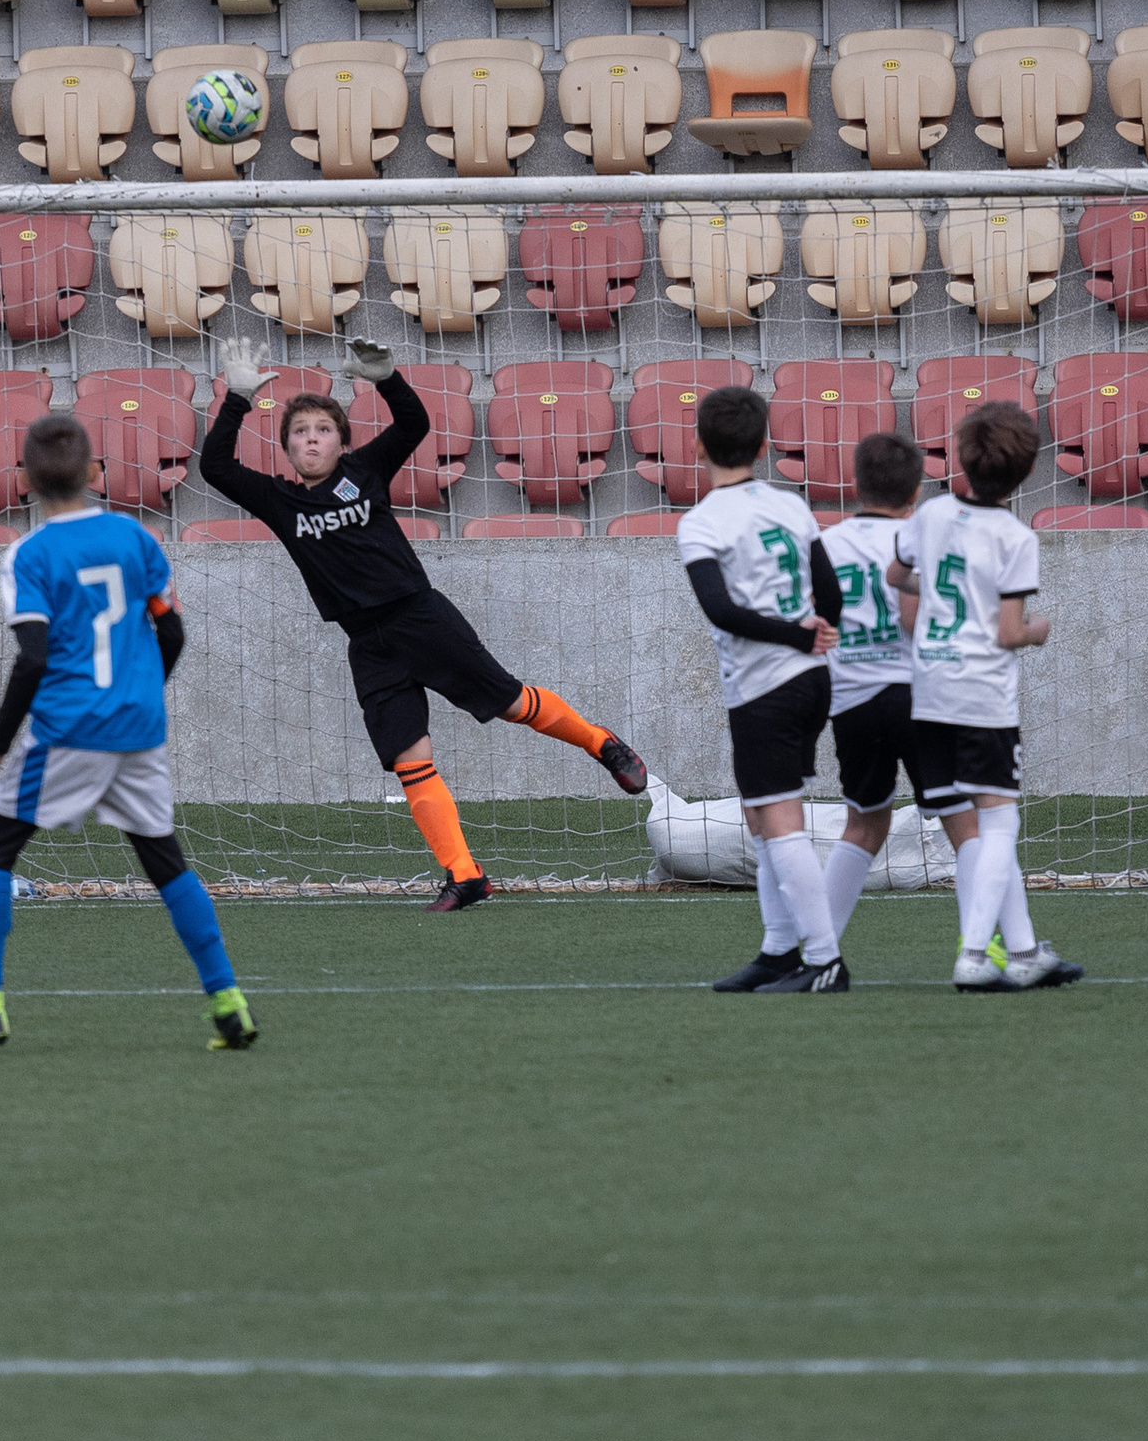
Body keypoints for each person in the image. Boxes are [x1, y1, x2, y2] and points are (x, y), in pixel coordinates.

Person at [198, 334, 645, 911]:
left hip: (420, 618)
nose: (312, 439)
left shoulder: (365, 472)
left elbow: (413, 424)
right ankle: (466, 876)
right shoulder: (279, 500)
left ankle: (602, 744)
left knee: (512, 704)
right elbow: (213, 466)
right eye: (300, 432)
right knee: (411, 760)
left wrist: (385, 379)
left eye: (323, 430)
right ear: (285, 448)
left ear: (341, 442)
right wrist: (236, 397)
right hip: (368, 644)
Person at [0, 409, 257, 1056]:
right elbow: (173, 632)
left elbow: (37, 657)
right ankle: (228, 1003)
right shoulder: (137, 539)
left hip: (70, 729)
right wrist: (138, 694)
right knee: (165, 862)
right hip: (138, 726)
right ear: (95, 473)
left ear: (24, 481)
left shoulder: (28, 555)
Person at [894, 401, 1081, 996]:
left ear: (958, 457)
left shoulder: (932, 513)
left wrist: (946, 594)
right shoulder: (1015, 537)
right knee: (1000, 820)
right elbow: (1007, 632)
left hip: (929, 691)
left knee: (969, 823)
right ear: (1027, 474)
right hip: (983, 697)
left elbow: (897, 579)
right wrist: (1037, 630)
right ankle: (975, 956)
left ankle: (1024, 951)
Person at [675, 385, 848, 997]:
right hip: (809, 681)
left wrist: (793, 638)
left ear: (697, 445)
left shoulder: (700, 523)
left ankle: (824, 959)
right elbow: (828, 589)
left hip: (765, 687)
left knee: (778, 819)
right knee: (763, 813)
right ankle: (778, 951)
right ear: (766, 446)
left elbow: (720, 611)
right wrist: (816, 632)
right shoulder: (791, 505)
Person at [812, 428, 926, 957]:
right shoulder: (920, 538)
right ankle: (996, 946)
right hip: (917, 694)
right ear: (917, 490)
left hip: (853, 697)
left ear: (856, 484)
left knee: (864, 823)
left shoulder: (826, 543)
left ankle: (819, 948)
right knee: (968, 822)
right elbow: (912, 618)